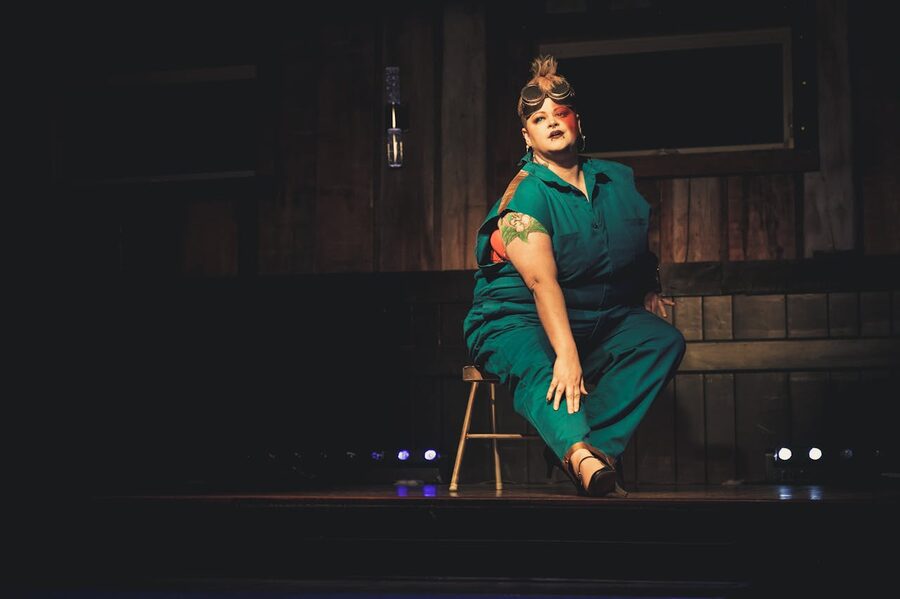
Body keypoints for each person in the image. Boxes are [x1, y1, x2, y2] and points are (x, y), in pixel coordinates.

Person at [463, 55, 685, 496]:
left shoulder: (616, 179)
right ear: (526, 136)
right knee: (545, 365)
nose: (551, 122)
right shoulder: (526, 194)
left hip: (596, 314)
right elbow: (541, 283)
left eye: (559, 114)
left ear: (577, 122)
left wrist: (648, 288)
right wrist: (567, 354)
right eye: (538, 119)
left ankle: (587, 445)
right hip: (516, 317)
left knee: (662, 341)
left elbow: (632, 238)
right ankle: (584, 461)